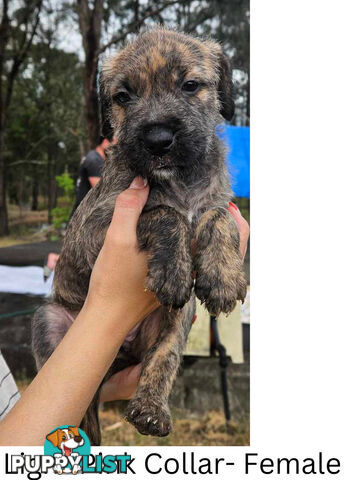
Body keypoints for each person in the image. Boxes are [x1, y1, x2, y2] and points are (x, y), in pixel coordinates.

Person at [0, 177, 249, 445]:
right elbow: (94, 232)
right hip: (76, 315)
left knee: (183, 304)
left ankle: (153, 394)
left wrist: (219, 232)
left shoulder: (205, 172)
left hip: (144, 329)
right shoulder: (121, 174)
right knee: (48, 318)